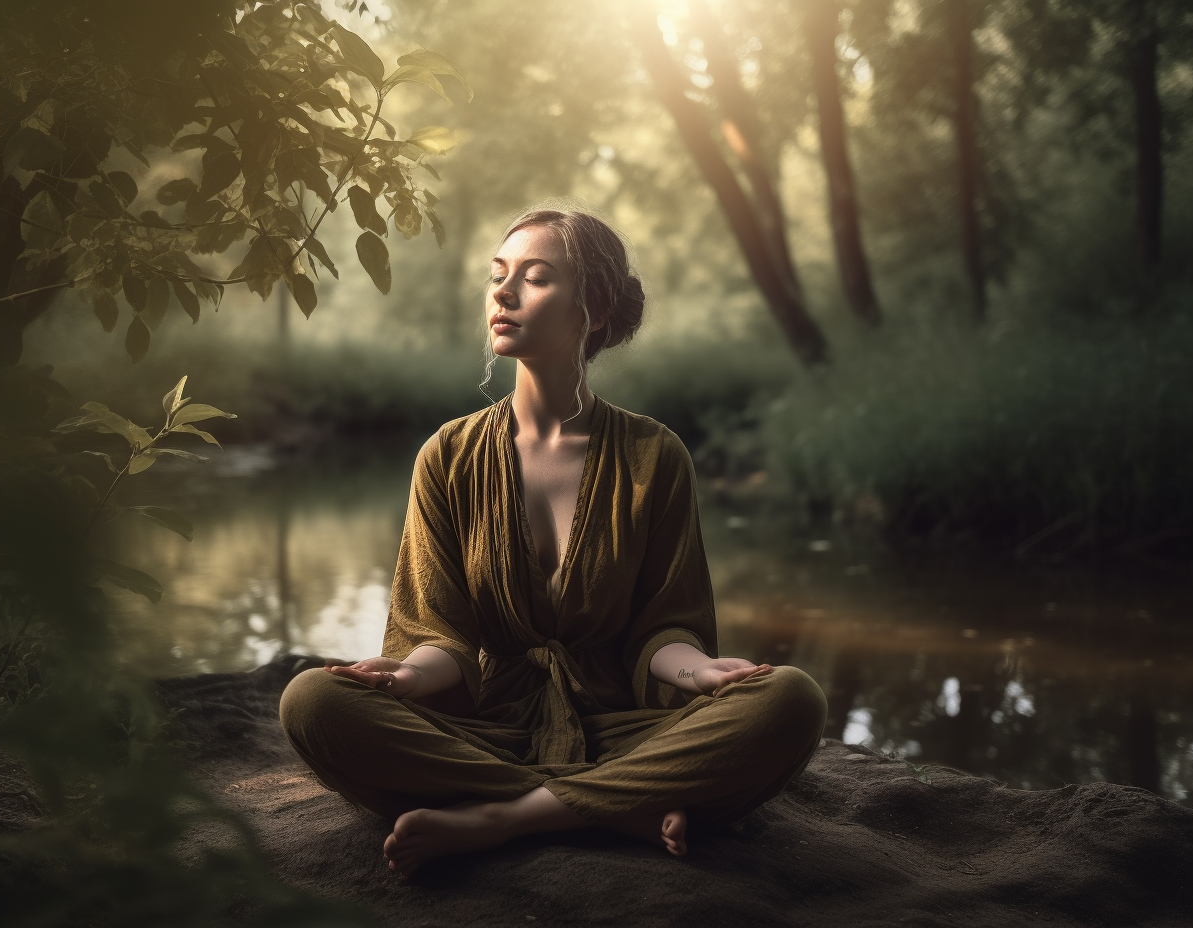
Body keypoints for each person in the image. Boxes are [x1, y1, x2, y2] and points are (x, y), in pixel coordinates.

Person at [279, 205, 827, 878]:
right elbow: (440, 634)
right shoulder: (447, 456)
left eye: (534, 278)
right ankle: (620, 808)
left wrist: (703, 673)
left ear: (592, 309)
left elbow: (665, 630)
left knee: (791, 699)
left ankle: (504, 816)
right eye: (498, 276)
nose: (503, 294)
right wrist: (404, 674)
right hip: (490, 729)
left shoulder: (656, 455)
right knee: (312, 701)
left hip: (622, 728)